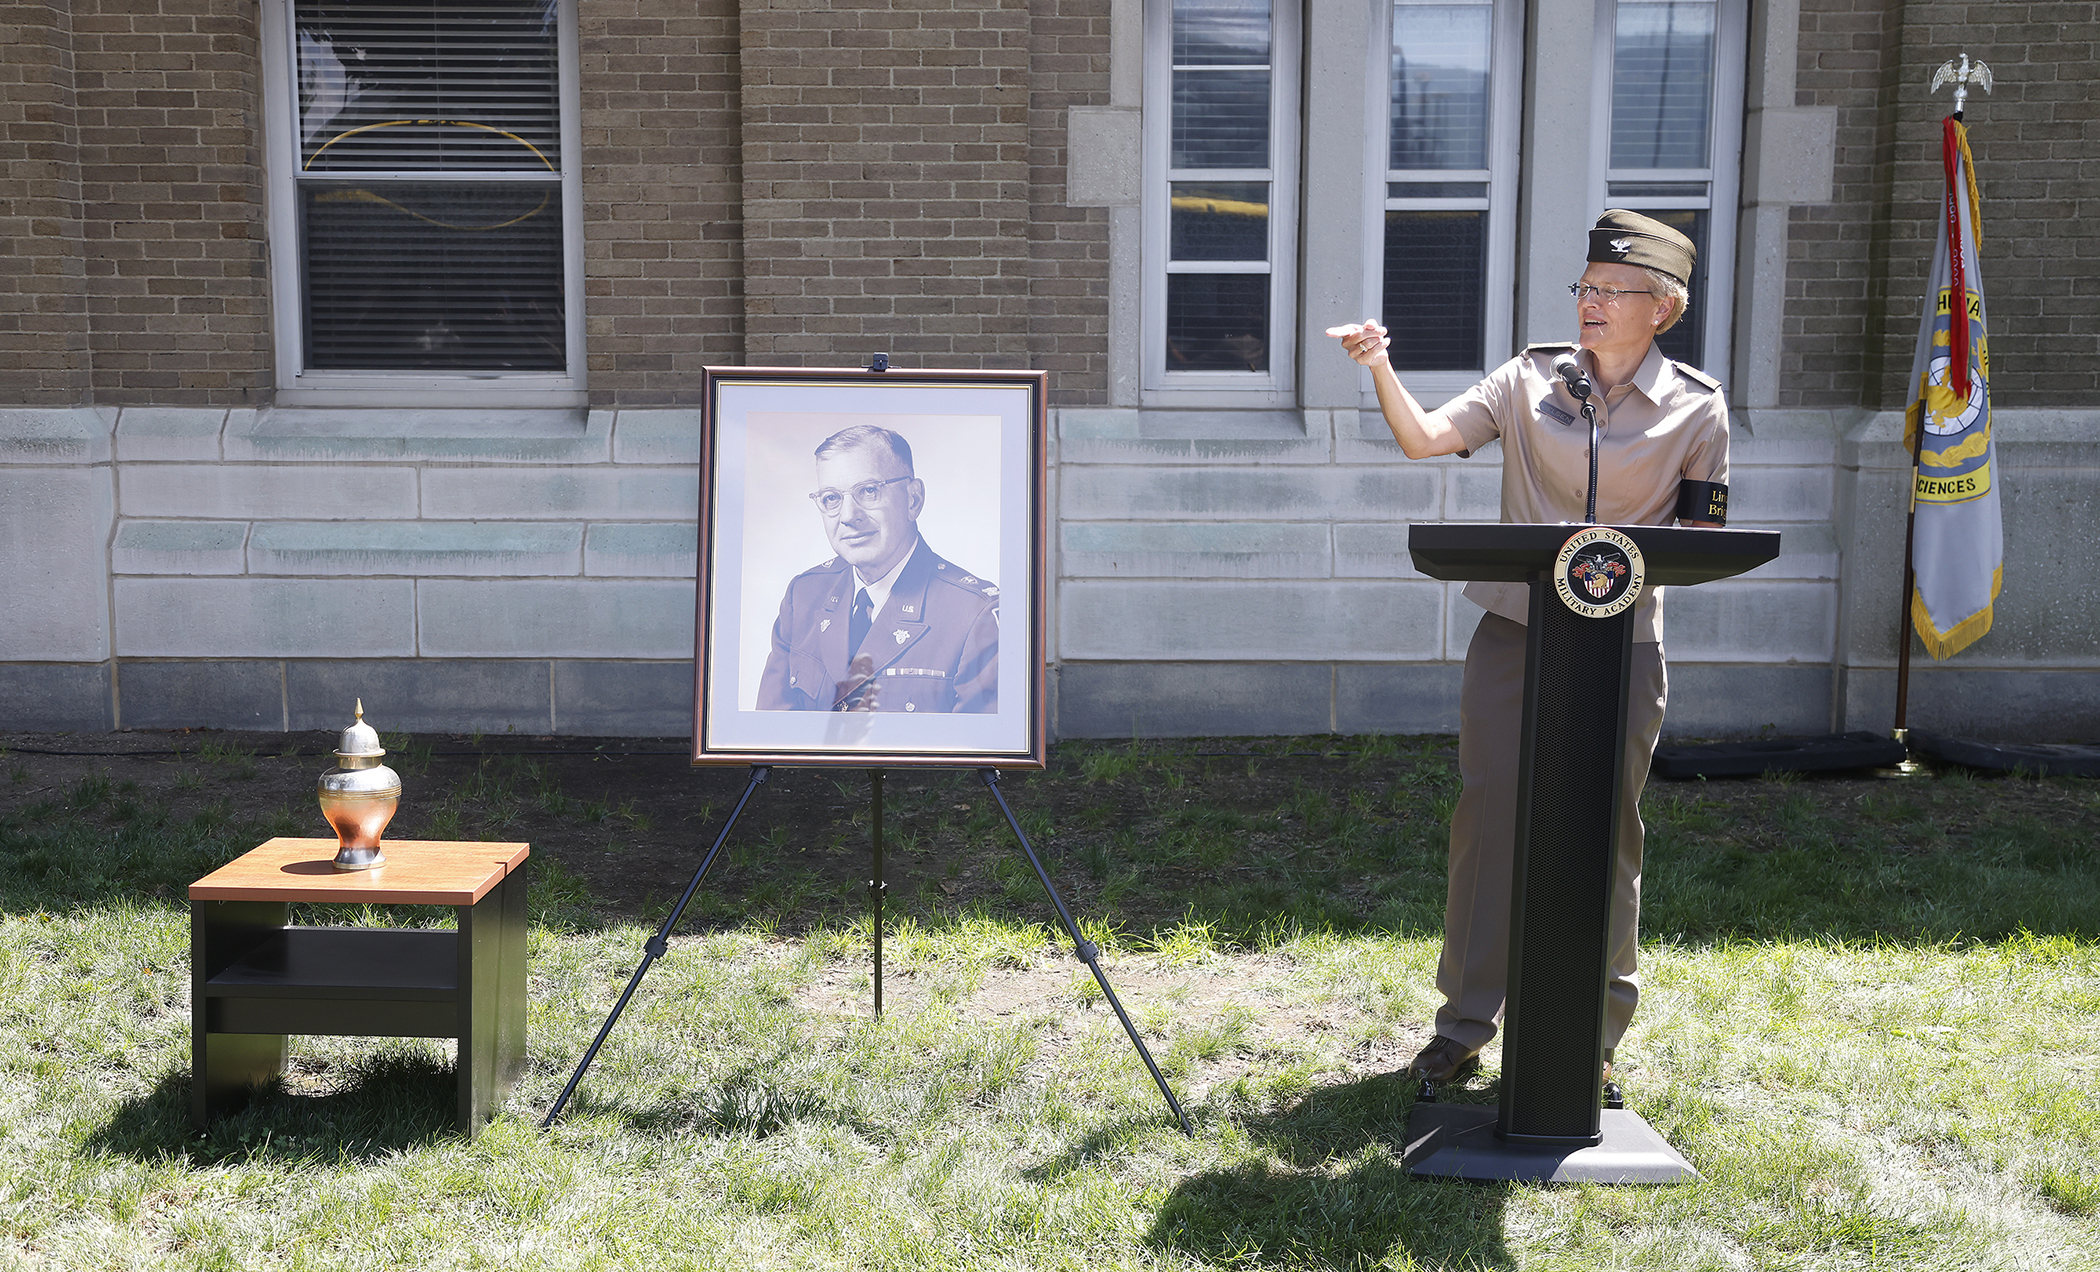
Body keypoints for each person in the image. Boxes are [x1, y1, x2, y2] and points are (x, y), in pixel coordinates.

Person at [1328, 210, 1729, 1089]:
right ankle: (1464, 1026)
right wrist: (1380, 367)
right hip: (1516, 635)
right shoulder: (1529, 379)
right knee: (1489, 824)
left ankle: (1594, 1040)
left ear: (1661, 308)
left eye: (1612, 291)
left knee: (1608, 835)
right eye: (1586, 286)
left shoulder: (1698, 406)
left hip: (1624, 647)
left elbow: (1702, 538)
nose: (1591, 302)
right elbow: (1427, 438)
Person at [756, 424, 999, 714]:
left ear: (913, 499)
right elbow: (770, 735)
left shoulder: (974, 613)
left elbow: (975, 751)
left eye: (869, 491)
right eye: (832, 498)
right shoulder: (804, 595)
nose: (848, 516)